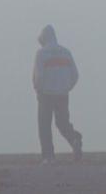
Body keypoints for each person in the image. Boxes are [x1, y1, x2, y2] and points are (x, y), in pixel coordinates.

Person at [33, 24, 83, 163]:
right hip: (62, 94)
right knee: (62, 123)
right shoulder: (66, 52)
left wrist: (38, 88)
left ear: (44, 38)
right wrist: (66, 87)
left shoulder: (41, 53)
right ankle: (74, 139)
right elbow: (75, 75)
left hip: (46, 94)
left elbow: (39, 76)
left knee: (44, 124)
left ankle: (48, 156)